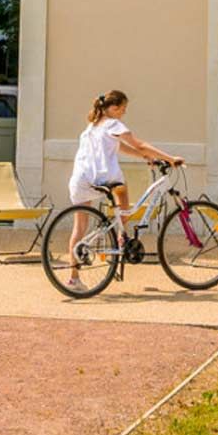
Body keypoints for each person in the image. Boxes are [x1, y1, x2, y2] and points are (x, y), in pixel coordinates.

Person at [65, 89, 183, 291]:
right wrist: (170, 158)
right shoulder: (113, 124)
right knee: (123, 193)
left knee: (79, 228)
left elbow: (119, 148)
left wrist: (146, 157)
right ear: (113, 108)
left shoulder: (92, 127)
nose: (123, 113)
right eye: (122, 109)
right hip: (101, 177)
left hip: (80, 180)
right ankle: (121, 234)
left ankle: (73, 279)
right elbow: (140, 144)